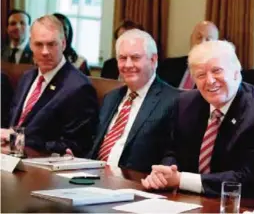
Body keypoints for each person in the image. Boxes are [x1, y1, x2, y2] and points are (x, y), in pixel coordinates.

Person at [141, 40, 254, 205]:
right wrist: (165, 173)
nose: (210, 81)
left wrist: (180, 180)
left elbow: (250, 180)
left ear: (235, 72)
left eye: (217, 71)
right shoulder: (185, 103)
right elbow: (173, 150)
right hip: (197, 202)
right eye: (201, 75)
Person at [0, 15, 99, 157]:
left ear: (63, 44)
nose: (45, 52)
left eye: (52, 44)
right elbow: (13, 123)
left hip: (40, 167)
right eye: (39, 44)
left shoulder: (78, 87)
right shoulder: (27, 78)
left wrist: (19, 142)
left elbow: (78, 145)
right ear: (31, 45)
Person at [88, 29, 180, 172]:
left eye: (135, 58)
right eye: (123, 58)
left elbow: (173, 154)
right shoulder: (111, 98)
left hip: (134, 184)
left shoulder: (173, 100)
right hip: (92, 176)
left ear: (153, 60)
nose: (128, 65)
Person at [157, 21, 219, 89]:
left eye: (208, 39)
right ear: (191, 39)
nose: (202, 42)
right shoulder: (168, 65)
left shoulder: (216, 75)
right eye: (199, 37)